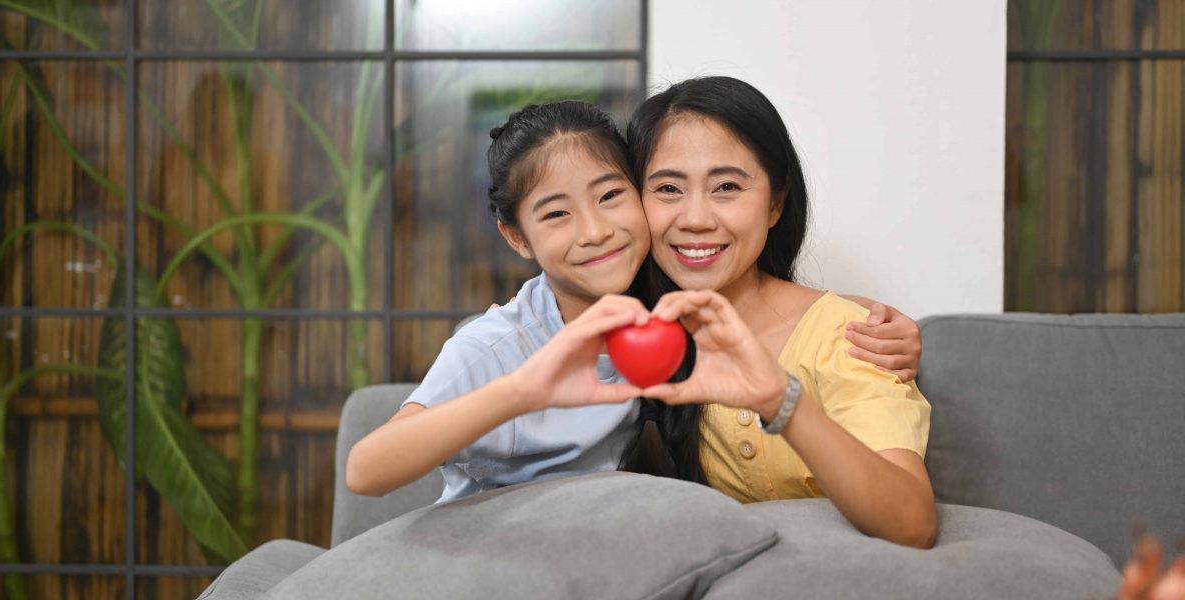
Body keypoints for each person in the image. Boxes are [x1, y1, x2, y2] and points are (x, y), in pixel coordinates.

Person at [346, 99, 922, 505]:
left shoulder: (649, 309)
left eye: (611, 195)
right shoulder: (499, 343)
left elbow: (760, 303)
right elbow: (366, 470)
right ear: (517, 238)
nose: (595, 230)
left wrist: (865, 315)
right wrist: (524, 389)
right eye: (556, 213)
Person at [626, 76, 937, 548]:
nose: (694, 218)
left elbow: (912, 523)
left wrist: (780, 400)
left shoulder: (845, 337)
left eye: (726, 186)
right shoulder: (629, 331)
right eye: (668, 188)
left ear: (775, 202)